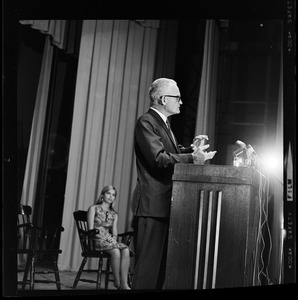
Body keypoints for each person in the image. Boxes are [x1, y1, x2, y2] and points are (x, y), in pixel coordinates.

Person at [131, 78, 217, 289]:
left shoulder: (163, 123)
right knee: (147, 272)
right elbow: (159, 159)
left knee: (160, 272)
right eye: (177, 97)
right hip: (152, 207)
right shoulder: (147, 122)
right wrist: (192, 159)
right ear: (162, 99)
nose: (180, 102)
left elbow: (172, 152)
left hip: (165, 205)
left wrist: (192, 149)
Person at [87, 185, 131, 290]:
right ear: (102, 195)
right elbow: (91, 230)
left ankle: (124, 284)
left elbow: (114, 232)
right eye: (108, 193)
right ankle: (117, 281)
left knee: (125, 250)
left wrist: (113, 239)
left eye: (113, 195)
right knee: (116, 251)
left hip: (108, 241)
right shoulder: (93, 208)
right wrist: (107, 238)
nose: (111, 196)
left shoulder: (114, 214)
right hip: (96, 240)